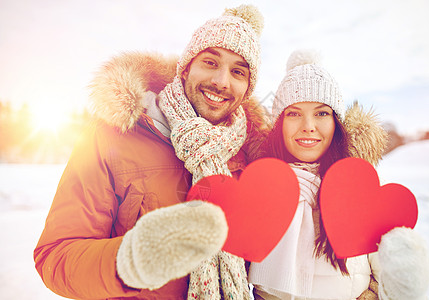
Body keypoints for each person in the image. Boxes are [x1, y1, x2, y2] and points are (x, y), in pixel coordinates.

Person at [34, 4, 270, 300]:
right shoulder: (115, 134)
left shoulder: (251, 154)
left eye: (238, 71)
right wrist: (130, 261)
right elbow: (55, 256)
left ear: (247, 88)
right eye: (210, 62)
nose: (222, 81)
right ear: (186, 68)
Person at [248, 50, 429, 300]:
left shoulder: (362, 192)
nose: (308, 125)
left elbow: (389, 285)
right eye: (293, 113)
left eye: (322, 113)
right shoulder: (258, 189)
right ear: (279, 124)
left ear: (337, 123)